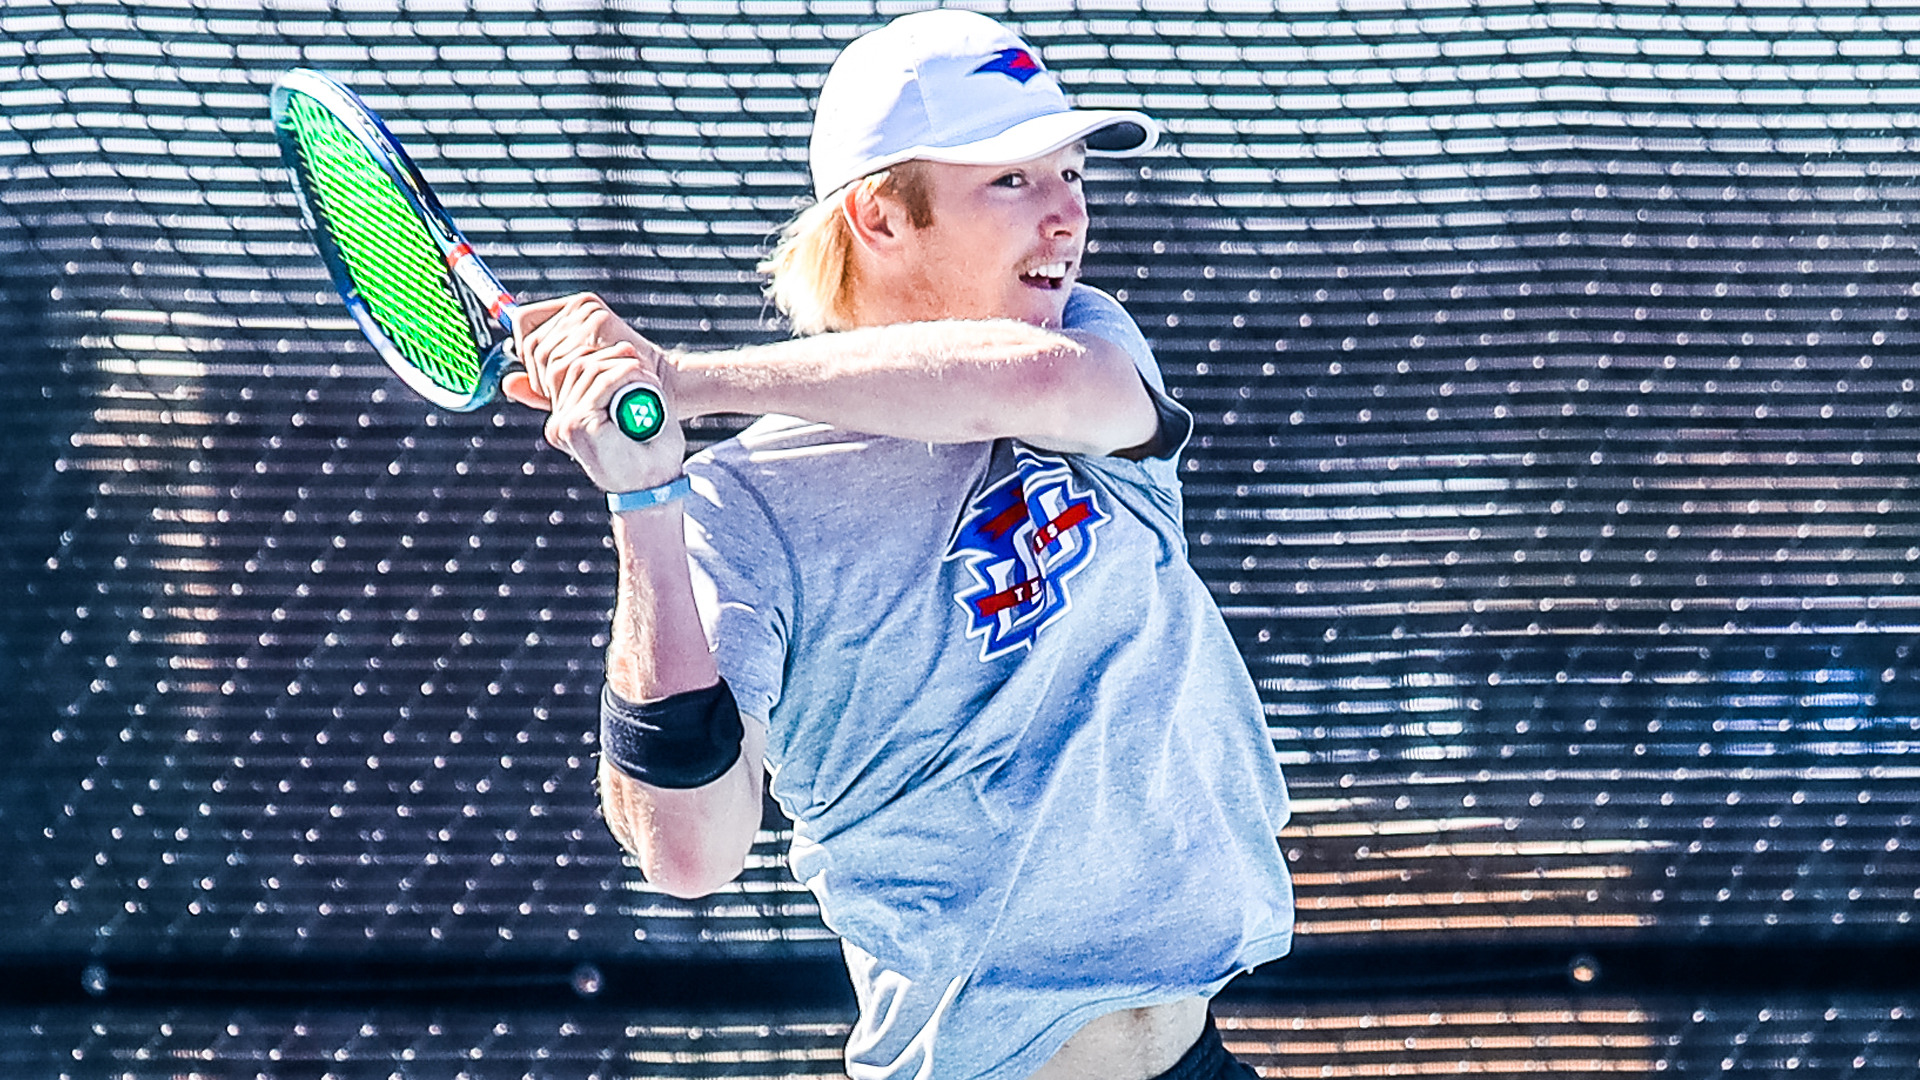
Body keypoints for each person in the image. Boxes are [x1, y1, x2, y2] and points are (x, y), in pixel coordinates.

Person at [499, 11, 1294, 1079]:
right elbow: (691, 853)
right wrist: (644, 507)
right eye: (1011, 182)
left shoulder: (1086, 346)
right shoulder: (740, 506)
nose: (1068, 218)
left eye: (1071, 175)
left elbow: (1040, 380)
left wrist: (682, 377)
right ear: (878, 216)